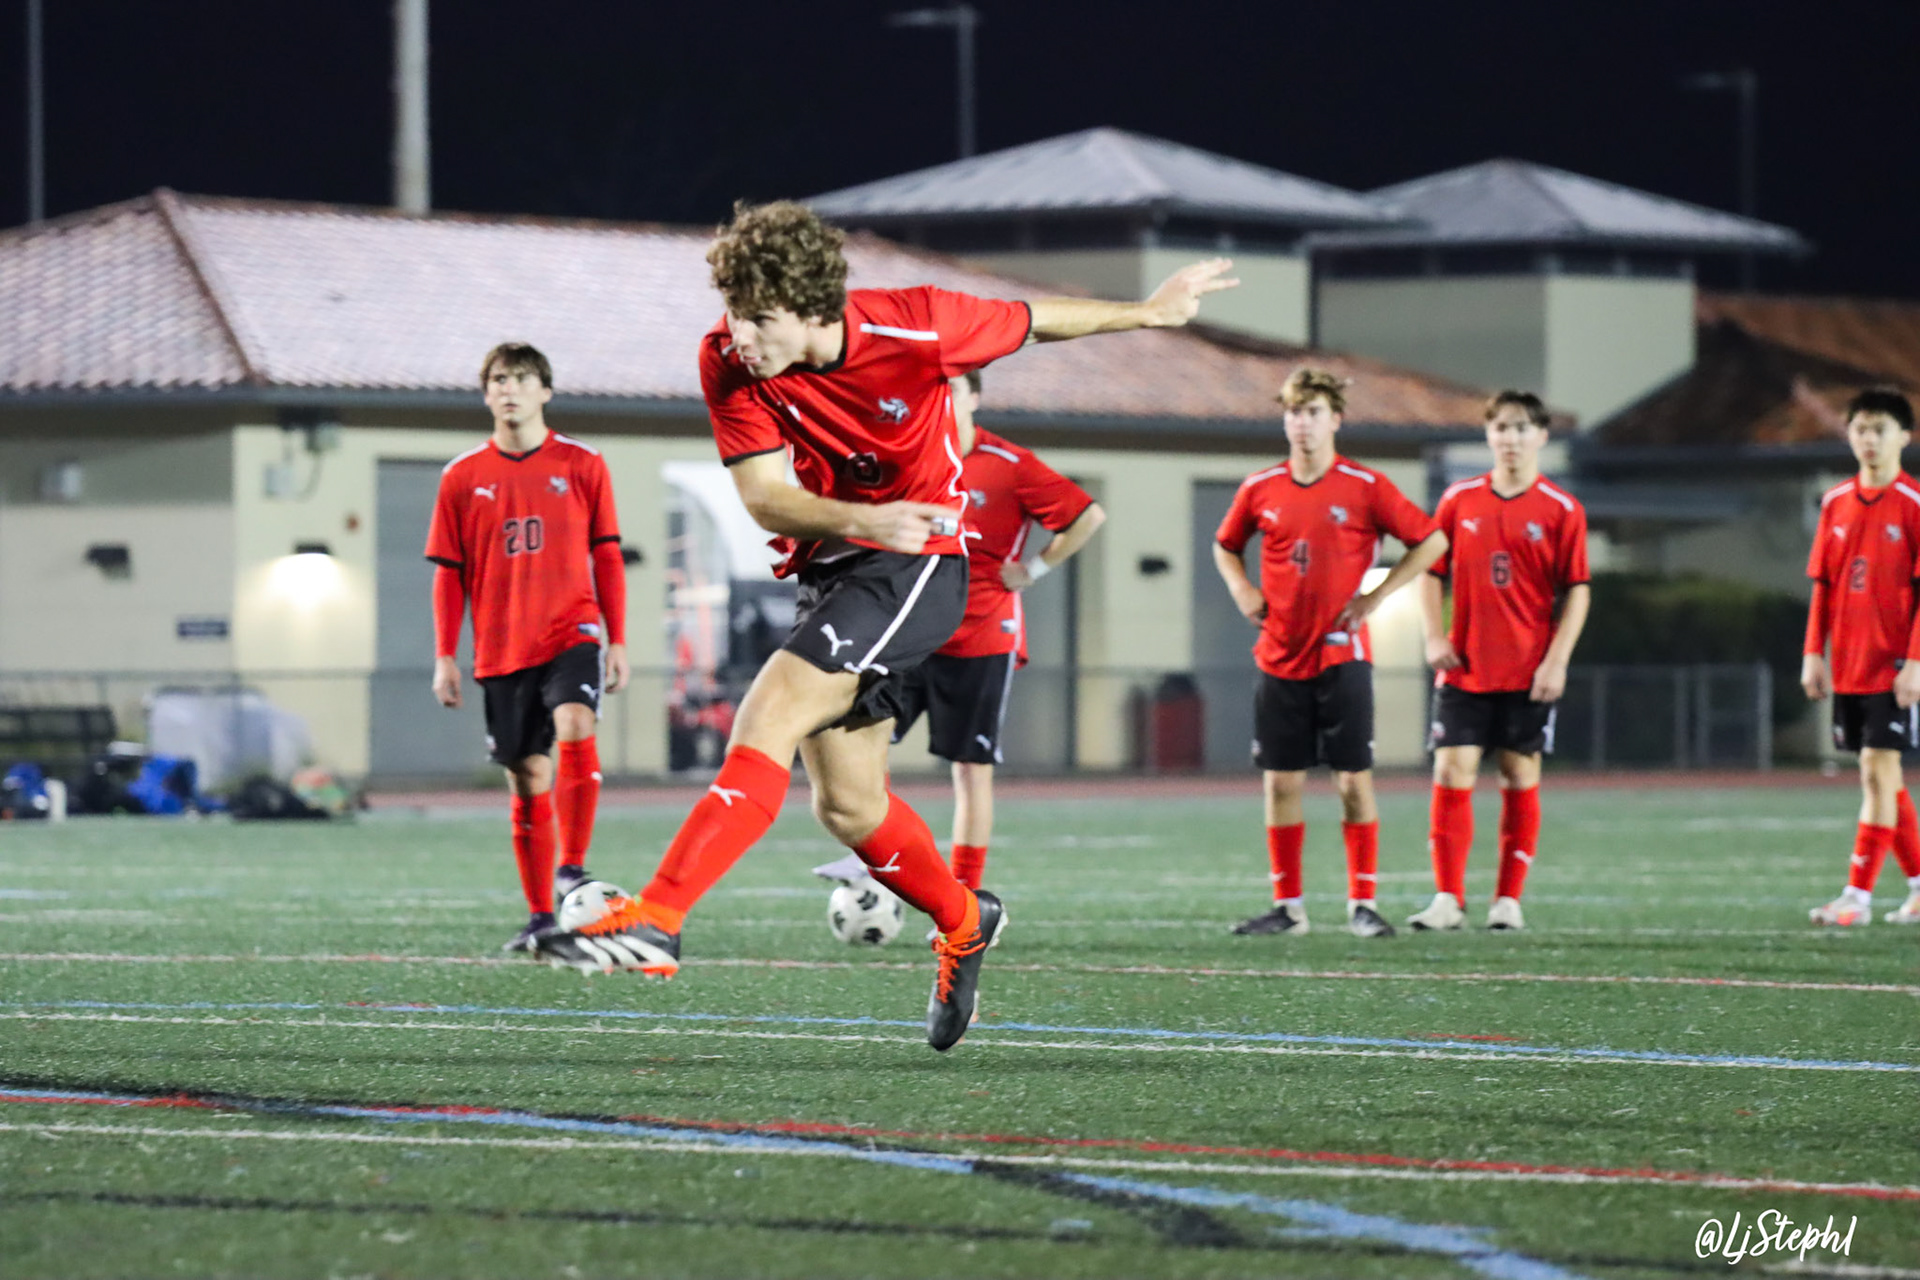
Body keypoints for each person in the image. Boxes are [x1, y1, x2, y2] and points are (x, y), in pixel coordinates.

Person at [537, 200, 1235, 1052]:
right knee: (848, 803)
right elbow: (763, 497)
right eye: (733, 311)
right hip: (838, 567)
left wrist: (1149, 313)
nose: (739, 333)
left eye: (758, 317)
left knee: (768, 716)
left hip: (920, 565)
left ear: (810, 309)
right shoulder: (727, 358)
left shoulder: (918, 326)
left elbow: (1035, 321)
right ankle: (966, 919)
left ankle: (660, 918)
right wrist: (860, 520)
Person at [1213, 367, 1447, 939]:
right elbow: (1225, 545)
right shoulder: (1261, 487)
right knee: (1281, 784)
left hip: (1343, 656)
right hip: (1278, 656)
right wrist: (1242, 588)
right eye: (1294, 412)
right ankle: (1288, 908)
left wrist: (1377, 595)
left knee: (1352, 783)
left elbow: (1432, 541)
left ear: (1335, 419)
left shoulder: (1365, 486)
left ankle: (1362, 903)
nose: (1303, 423)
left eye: (1313, 412)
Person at [425, 343, 630, 952]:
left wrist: (617, 639)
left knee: (575, 721)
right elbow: (449, 574)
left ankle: (573, 865)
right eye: (498, 379)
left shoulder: (583, 464)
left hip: (572, 631)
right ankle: (541, 915)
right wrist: (444, 654)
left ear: (546, 391)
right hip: (501, 646)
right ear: (486, 393)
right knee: (527, 773)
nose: (509, 389)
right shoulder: (462, 476)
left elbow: (607, 556)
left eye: (521, 378)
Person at [891, 369, 1106, 889]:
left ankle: (964, 896)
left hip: (982, 634)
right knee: (859, 748)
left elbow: (1087, 516)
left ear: (975, 398)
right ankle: (877, 866)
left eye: (952, 390)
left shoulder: (1010, 465)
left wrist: (1035, 569)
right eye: (933, 390)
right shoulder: (910, 456)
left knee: (970, 768)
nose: (942, 400)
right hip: (912, 632)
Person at [1409, 390, 1589, 933]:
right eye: (1502, 428)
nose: (1510, 438)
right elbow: (1429, 571)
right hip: (1464, 667)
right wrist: (1433, 635)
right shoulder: (1458, 500)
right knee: (1451, 769)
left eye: (1521, 428)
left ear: (1541, 437)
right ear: (1489, 435)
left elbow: (1577, 591)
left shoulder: (1561, 509)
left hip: (1528, 669)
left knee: (1518, 774)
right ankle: (1447, 898)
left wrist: (1557, 661)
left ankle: (1507, 900)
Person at [1802, 387, 1920, 927]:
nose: (1868, 439)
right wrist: (1813, 653)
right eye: (1860, 429)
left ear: (1904, 437)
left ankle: (1857, 898)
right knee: (1882, 778)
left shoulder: (1913, 504)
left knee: (1877, 770)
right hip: (1848, 664)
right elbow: (1823, 586)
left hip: (1893, 666)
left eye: (1880, 429)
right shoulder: (1835, 502)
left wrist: (1915, 663)